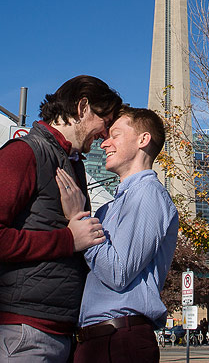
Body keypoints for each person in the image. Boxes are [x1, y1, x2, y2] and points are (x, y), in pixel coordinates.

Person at [0, 75, 122, 363]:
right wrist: (68, 239)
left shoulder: (70, 163)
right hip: (21, 332)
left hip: (55, 331)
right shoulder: (23, 154)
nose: (105, 134)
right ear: (83, 108)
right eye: (105, 120)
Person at [57, 106, 179, 363]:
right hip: (95, 341)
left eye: (116, 135)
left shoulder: (148, 194)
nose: (105, 144)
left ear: (143, 140)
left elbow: (118, 271)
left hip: (120, 342)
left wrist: (79, 219)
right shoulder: (108, 208)